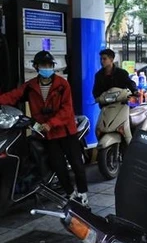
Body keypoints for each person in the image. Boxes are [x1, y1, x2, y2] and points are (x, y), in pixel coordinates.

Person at [0, 51, 89, 206]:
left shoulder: (62, 84)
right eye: (43, 65)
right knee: (58, 165)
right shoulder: (30, 86)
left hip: (66, 131)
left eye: (49, 65)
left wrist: (51, 123)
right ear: (36, 66)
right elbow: (12, 96)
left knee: (76, 164)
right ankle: (70, 193)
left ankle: (83, 194)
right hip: (48, 135)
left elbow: (67, 109)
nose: (46, 68)